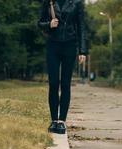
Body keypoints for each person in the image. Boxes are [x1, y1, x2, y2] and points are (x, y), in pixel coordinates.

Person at [38, 0, 88, 134]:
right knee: (53, 83)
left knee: (65, 84)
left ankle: (62, 121)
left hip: (70, 45)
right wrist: (49, 24)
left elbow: (81, 26)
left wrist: (82, 51)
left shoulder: (77, 3)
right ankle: (54, 120)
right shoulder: (49, 2)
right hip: (53, 45)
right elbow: (40, 23)